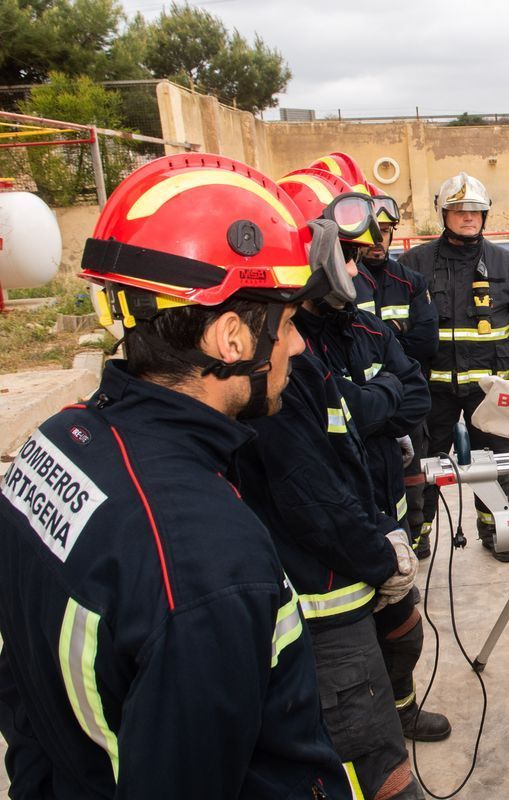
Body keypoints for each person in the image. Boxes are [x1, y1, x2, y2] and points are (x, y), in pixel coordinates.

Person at [0, 154, 350, 797]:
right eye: (290, 323)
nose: (297, 347)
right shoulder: (206, 560)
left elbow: (22, 695)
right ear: (231, 339)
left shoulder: (53, 443)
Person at [280, 165, 451, 744]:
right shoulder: (289, 349)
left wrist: (361, 405)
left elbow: (417, 396)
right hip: (340, 549)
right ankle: (376, 728)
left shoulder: (364, 328)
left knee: (403, 637)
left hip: (387, 519)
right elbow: (325, 450)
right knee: (348, 677)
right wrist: (378, 401)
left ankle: (400, 712)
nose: (359, 270)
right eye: (347, 258)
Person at [398, 171, 509, 563]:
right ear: (443, 213)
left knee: (495, 463)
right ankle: (418, 535)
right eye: (459, 210)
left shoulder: (507, 266)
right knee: (422, 466)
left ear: (485, 216)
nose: (468, 217)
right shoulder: (414, 264)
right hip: (431, 391)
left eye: (476, 211)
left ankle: (497, 531)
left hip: (489, 391)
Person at [360, 180, 439, 559]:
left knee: (412, 477)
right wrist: (392, 336)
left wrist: (382, 349)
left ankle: (413, 537)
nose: (378, 240)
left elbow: (426, 341)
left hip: (404, 402)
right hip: (360, 405)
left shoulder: (409, 280)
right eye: (369, 231)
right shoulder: (343, 281)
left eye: (386, 231)